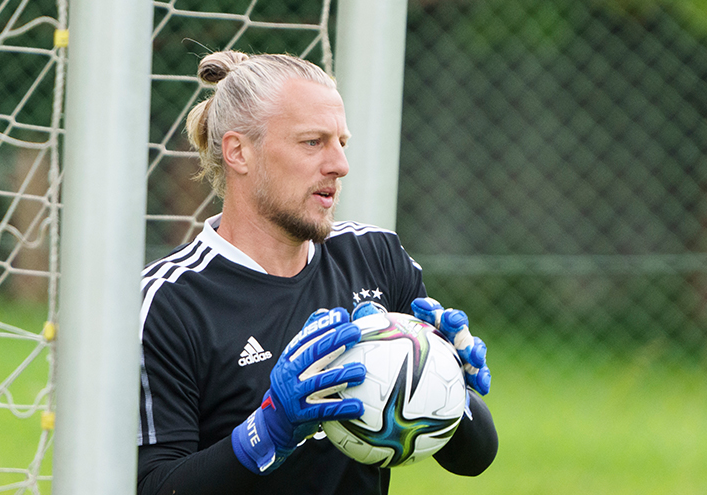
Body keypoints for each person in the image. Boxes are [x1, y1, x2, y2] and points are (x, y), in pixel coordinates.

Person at [136, 50, 498, 495]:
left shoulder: (375, 257)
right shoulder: (168, 302)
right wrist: (268, 431)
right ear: (238, 152)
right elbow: (154, 486)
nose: (339, 165)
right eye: (313, 142)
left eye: (341, 142)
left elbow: (476, 458)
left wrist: (451, 387)